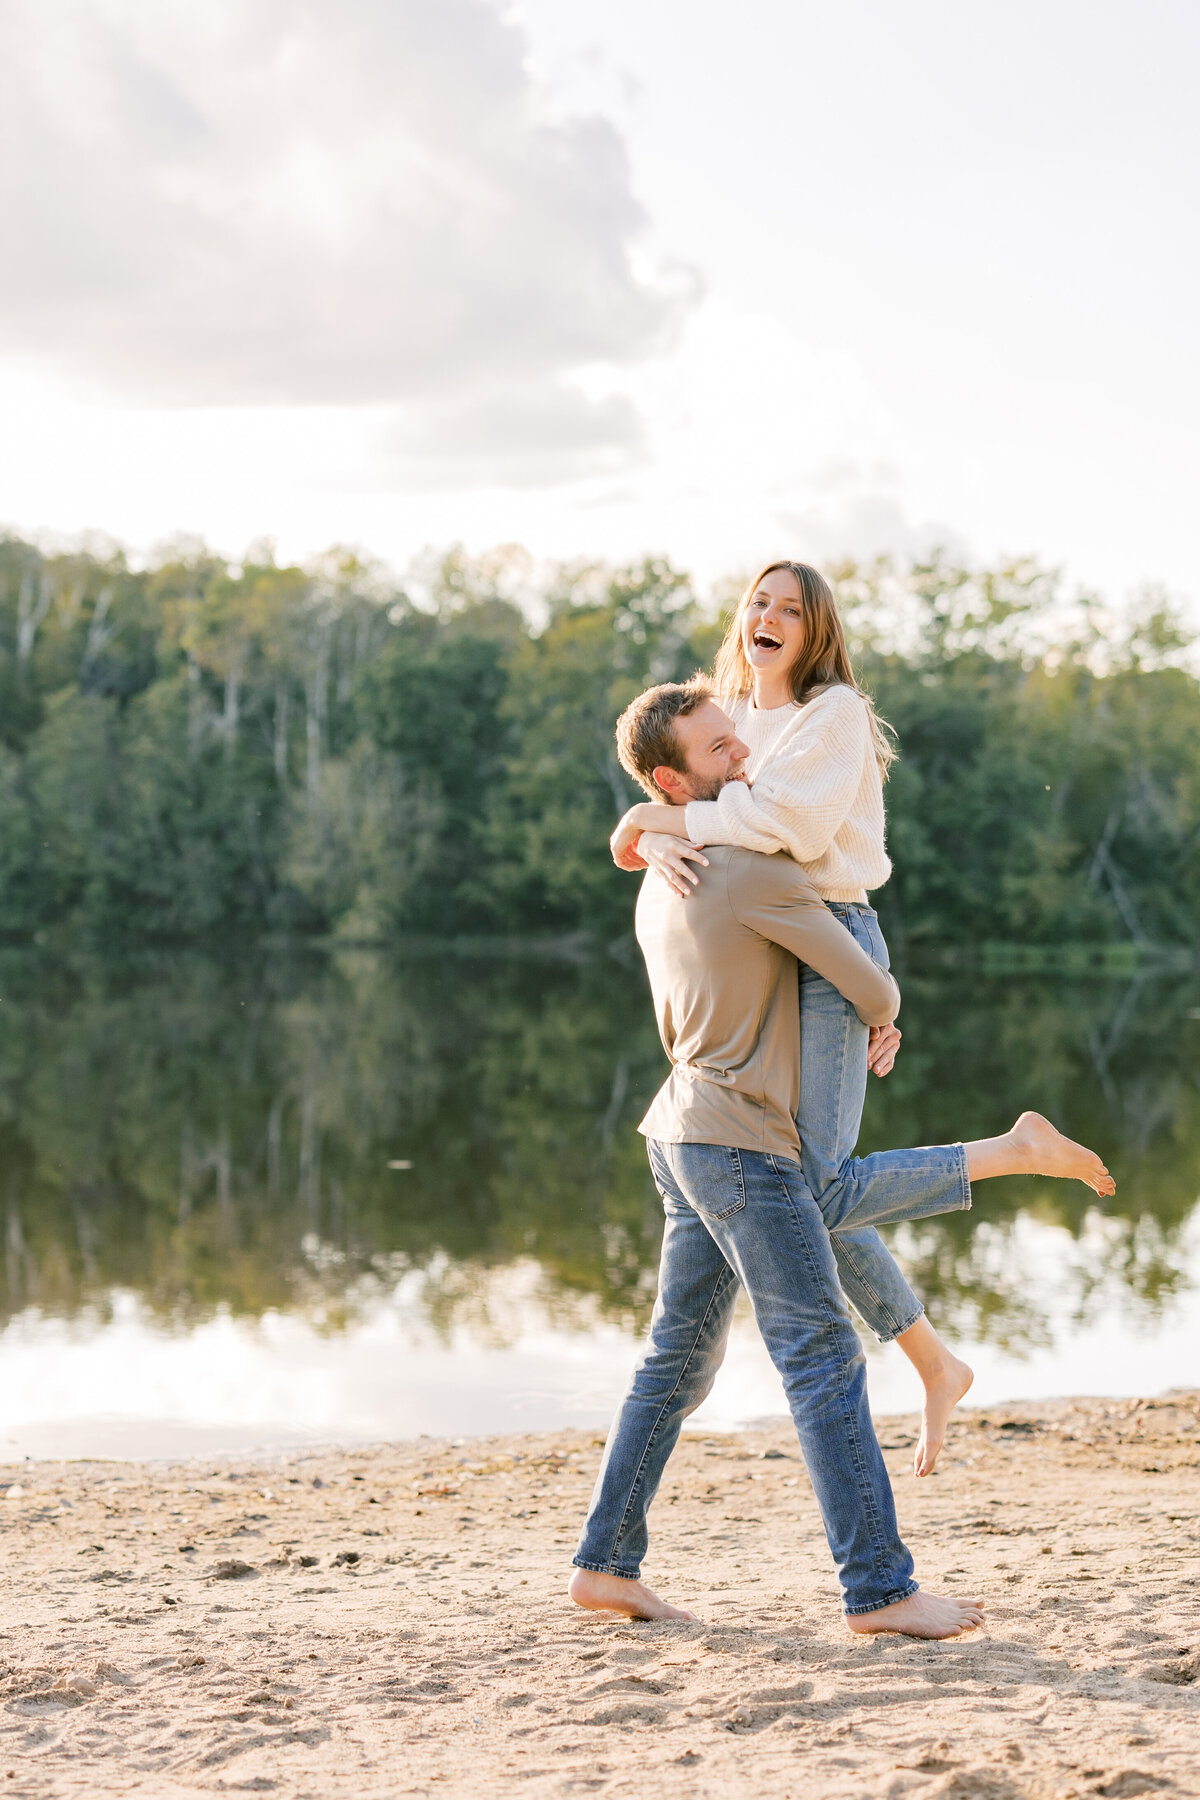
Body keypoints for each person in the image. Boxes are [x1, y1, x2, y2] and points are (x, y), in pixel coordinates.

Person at [569, 681, 1112, 1633]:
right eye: (721, 750)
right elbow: (870, 981)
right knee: (820, 1356)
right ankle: (881, 1590)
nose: (747, 758)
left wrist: (643, 829)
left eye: (741, 739)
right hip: (745, 1144)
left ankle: (606, 1566)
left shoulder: (668, 873)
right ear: (670, 778)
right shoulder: (746, 868)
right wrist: (885, 1014)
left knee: (675, 1364)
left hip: (682, 1131)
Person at [606, 562, 1115, 1477]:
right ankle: (933, 1359)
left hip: (830, 929)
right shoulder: (725, 710)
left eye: (790, 609)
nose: (768, 616)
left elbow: (786, 826)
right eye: (759, 601)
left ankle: (1008, 1153)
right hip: (767, 932)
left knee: (805, 1187)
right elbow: (700, 789)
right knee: (796, 1186)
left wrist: (660, 821)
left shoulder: (831, 713)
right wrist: (643, 827)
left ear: (815, 631)